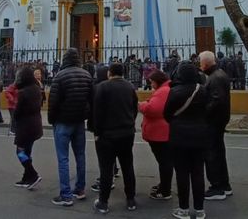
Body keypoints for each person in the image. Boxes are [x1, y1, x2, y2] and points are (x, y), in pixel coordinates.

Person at [48, 48, 93, 207]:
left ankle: (66, 195)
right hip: (79, 122)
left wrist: (51, 120)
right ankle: (79, 189)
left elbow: (53, 102)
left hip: (63, 122)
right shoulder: (86, 75)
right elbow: (91, 100)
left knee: (63, 158)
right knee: (80, 155)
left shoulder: (60, 76)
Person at [91, 63, 139, 214]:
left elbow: (97, 112)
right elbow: (135, 108)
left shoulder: (102, 87)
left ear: (109, 73)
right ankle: (131, 199)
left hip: (107, 135)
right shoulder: (130, 87)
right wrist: (130, 124)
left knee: (106, 169)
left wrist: (97, 132)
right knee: (127, 167)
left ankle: (103, 202)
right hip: (126, 133)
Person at [165, 63, 208, 219]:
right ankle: (200, 209)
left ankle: (183, 208)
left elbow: (167, 114)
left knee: (182, 174)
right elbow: (208, 111)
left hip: (179, 136)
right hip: (200, 136)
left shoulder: (175, 91)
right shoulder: (203, 90)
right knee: (198, 173)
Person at [199, 50, 232, 201]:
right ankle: (224, 185)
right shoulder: (219, 74)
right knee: (218, 153)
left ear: (205, 63)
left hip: (213, 122)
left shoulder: (215, 78)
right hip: (218, 121)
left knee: (212, 154)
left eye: (200, 62)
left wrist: (203, 113)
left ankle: (217, 186)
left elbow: (216, 100)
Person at [139, 69, 173, 200]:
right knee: (164, 161)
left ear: (158, 81)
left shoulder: (163, 91)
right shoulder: (165, 90)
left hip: (160, 133)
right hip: (162, 131)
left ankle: (165, 190)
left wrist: (141, 105)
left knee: (164, 162)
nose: (151, 85)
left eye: (152, 82)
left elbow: (152, 109)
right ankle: (164, 185)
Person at [13, 66, 43, 189]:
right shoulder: (37, 88)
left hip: (25, 126)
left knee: (20, 152)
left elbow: (18, 111)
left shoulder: (23, 92)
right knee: (27, 151)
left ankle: (32, 173)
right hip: (36, 124)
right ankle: (27, 178)